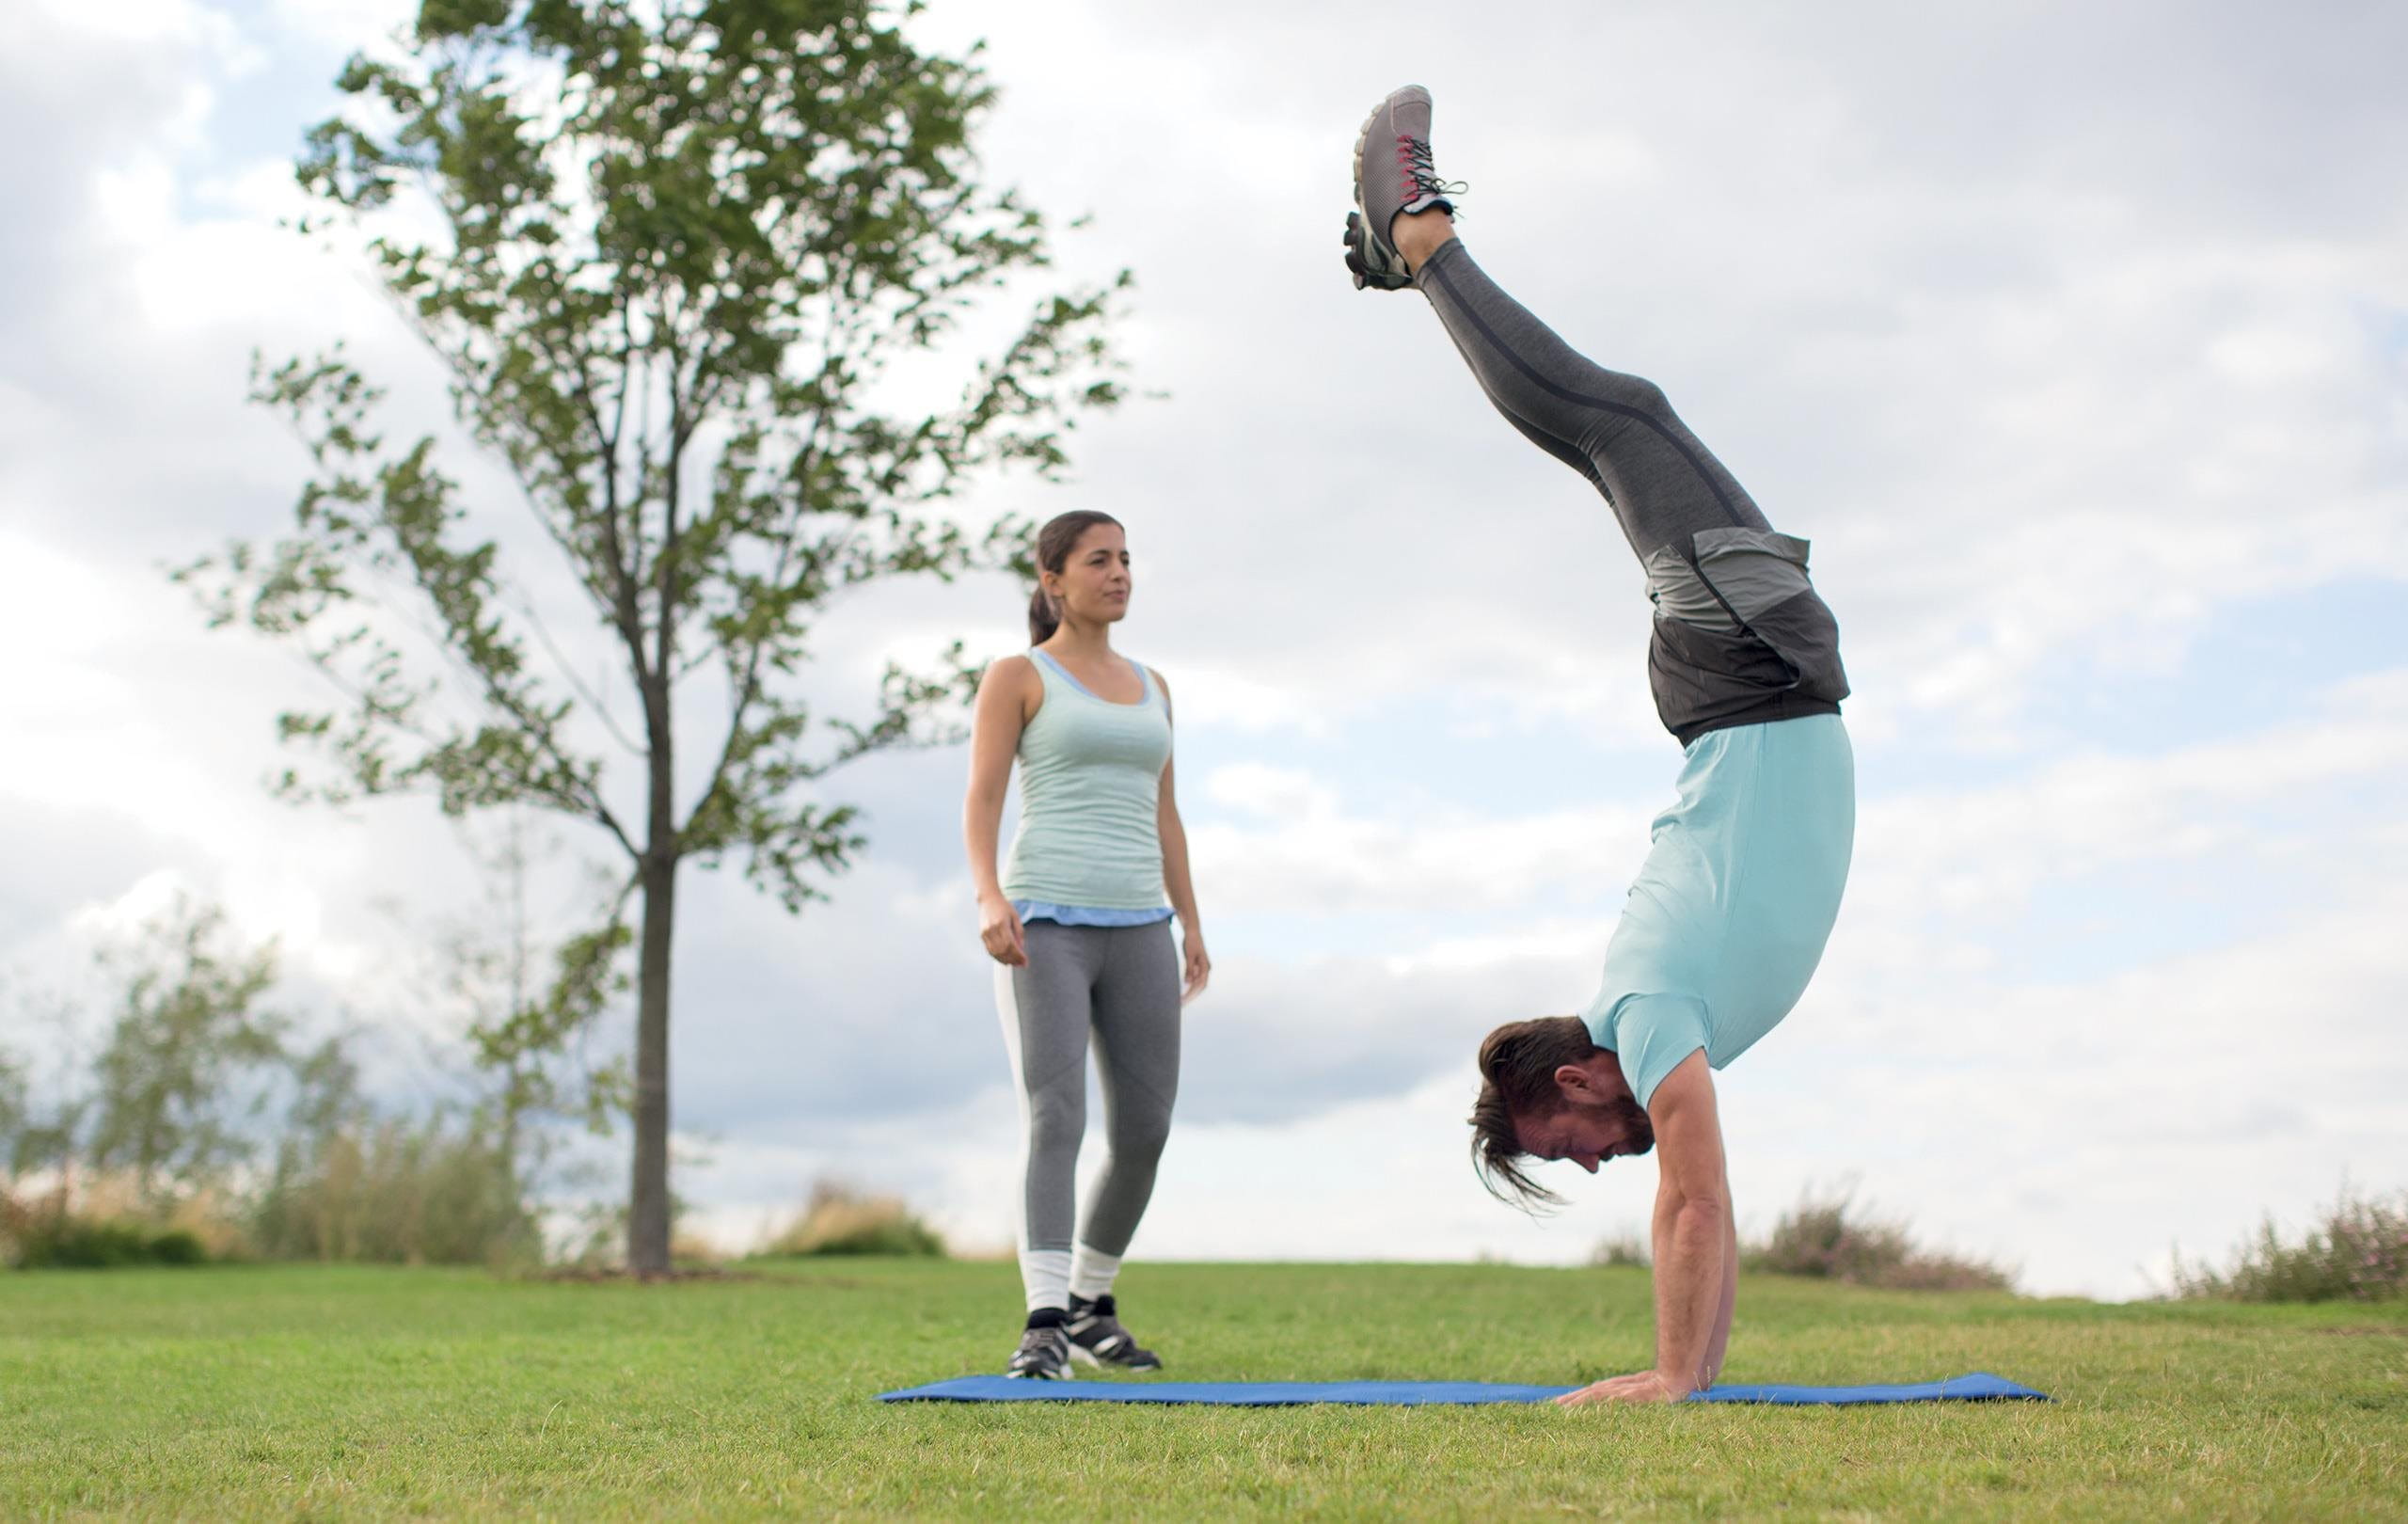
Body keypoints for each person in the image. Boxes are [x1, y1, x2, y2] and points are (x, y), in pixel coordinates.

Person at [1343, 87, 1856, 1406]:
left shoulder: (1650, 1013)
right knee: (1612, 424)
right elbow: (1704, 1200)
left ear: (1577, 1077)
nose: (1590, 1161)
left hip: (1750, 671)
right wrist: (1696, 1375)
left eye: (1563, 1141)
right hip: (1756, 677)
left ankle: (1418, 234)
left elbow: (1692, 1203)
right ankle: (1414, 258)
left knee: (1616, 419)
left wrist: (1667, 1380)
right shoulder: (1660, 1022)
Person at [962, 510, 1211, 1379]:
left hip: (1140, 925)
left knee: (1145, 1129)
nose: (1119, 574)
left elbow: (1166, 813)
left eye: (1126, 559)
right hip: (1046, 925)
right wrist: (989, 896)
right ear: (1053, 580)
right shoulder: (1018, 676)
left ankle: (1090, 1304)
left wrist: (1190, 921)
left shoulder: (1154, 686)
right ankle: (1043, 1323)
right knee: (1056, 1115)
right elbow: (983, 798)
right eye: (1099, 560)